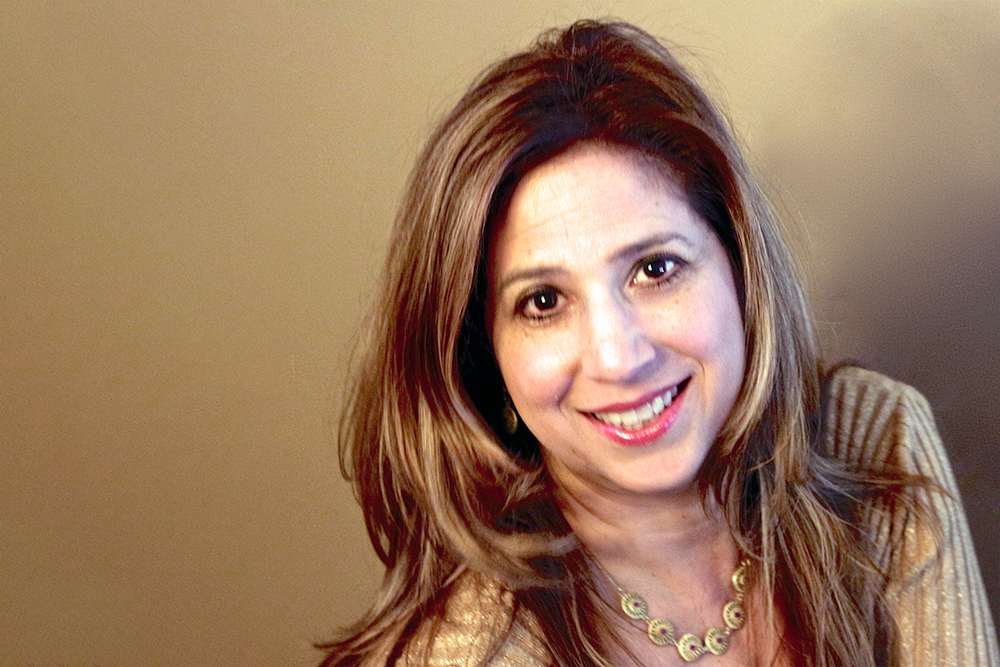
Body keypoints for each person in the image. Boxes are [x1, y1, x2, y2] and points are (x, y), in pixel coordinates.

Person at [318, 20, 998, 667]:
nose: (619, 356)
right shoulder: (472, 653)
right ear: (481, 354)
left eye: (655, 268)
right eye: (543, 302)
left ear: (737, 263)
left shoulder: (874, 438)